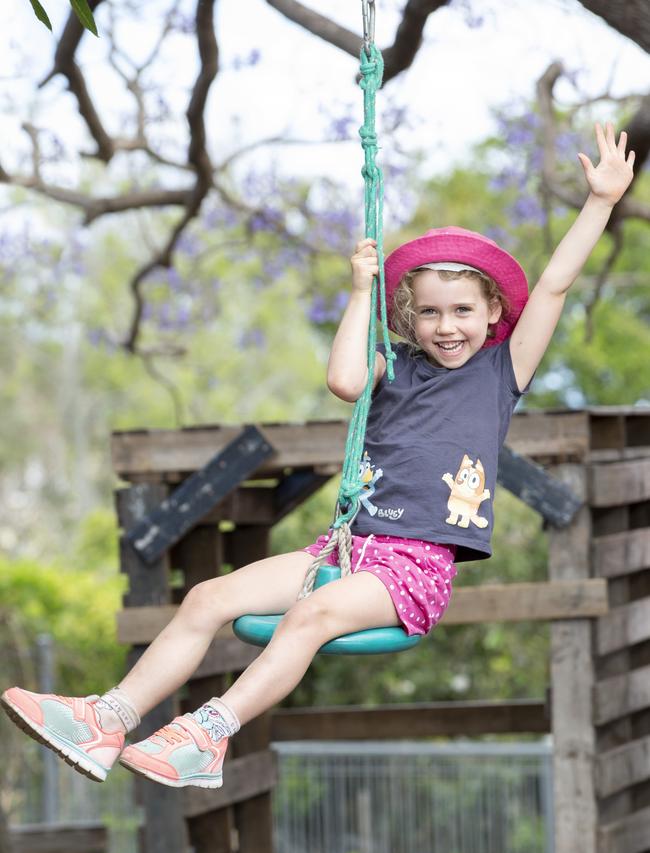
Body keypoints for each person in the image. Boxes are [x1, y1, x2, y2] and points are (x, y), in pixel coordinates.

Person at [1, 121, 634, 789]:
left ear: (493, 312)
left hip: (413, 566)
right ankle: (106, 717)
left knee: (308, 617)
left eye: (462, 311)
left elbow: (557, 285)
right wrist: (360, 291)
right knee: (208, 597)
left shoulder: (501, 371)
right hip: (342, 549)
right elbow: (343, 381)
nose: (446, 326)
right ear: (409, 317)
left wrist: (600, 202)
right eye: (430, 313)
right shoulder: (395, 365)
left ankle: (207, 735)